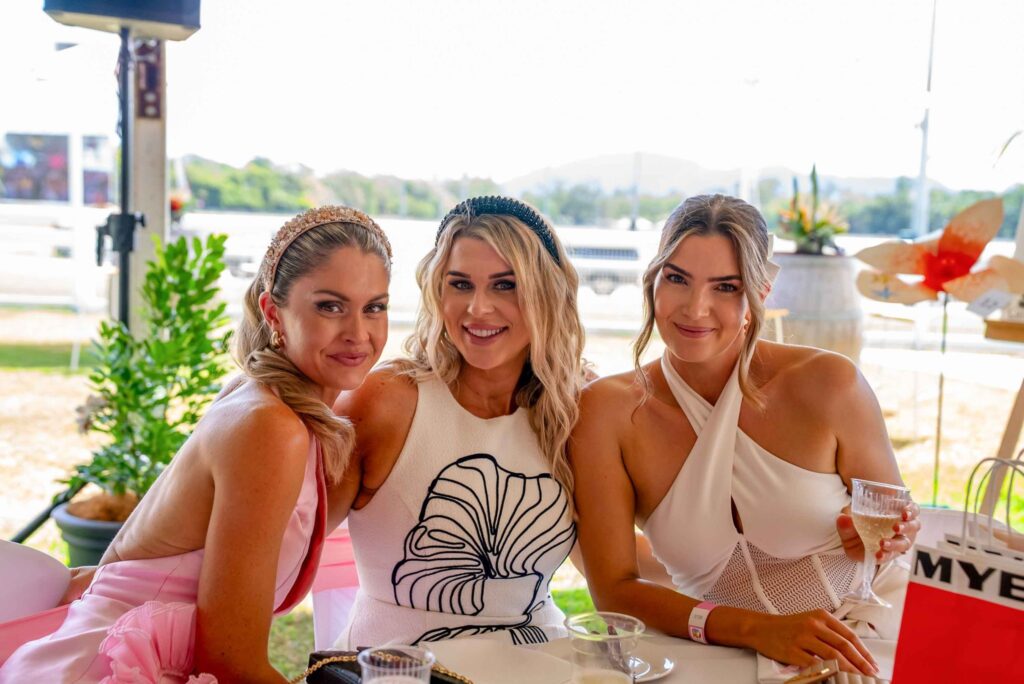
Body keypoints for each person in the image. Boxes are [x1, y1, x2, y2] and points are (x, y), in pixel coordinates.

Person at [0, 205, 392, 683]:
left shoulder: (272, 402)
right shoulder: (271, 428)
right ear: (274, 312)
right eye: (330, 306)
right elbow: (230, 663)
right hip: (113, 670)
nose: (358, 333)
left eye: (375, 306)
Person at [570, 194, 921, 676]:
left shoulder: (829, 384)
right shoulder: (608, 412)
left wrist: (890, 534)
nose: (697, 308)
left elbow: (891, 520)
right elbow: (614, 589)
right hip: (720, 654)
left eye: (726, 287)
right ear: (652, 278)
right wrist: (757, 630)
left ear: (762, 288)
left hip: (871, 634)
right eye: (677, 279)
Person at [326, 196, 585, 648]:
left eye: (505, 285)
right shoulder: (387, 400)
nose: (478, 309)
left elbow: (616, 564)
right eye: (460, 284)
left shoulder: (573, 408)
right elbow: (285, 543)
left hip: (544, 662)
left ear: (547, 291)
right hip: (396, 670)